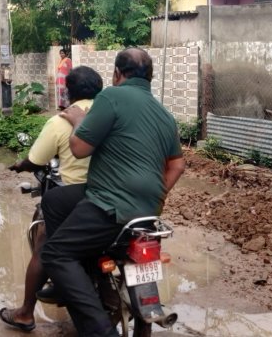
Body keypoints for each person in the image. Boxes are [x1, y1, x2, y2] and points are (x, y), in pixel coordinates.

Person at [41, 48, 186, 337]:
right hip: (148, 211)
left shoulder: (111, 96)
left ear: (116, 74)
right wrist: (157, 197)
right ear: (151, 77)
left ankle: (99, 329)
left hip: (110, 204)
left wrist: (79, 121)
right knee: (54, 200)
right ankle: (80, 267)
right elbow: (178, 166)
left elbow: (79, 149)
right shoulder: (164, 114)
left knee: (55, 253)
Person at [0, 66, 104, 332]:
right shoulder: (110, 115)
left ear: (69, 93)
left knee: (46, 243)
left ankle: (25, 312)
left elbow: (36, 160)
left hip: (76, 198)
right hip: (113, 197)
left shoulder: (60, 121)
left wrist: (20, 165)